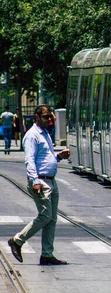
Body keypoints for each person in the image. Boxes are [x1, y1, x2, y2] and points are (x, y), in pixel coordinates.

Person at [7, 105, 71, 266]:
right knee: (45, 216)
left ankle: (47, 254)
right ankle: (17, 240)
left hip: (51, 180)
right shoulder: (32, 136)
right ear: (36, 117)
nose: (49, 120)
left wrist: (58, 157)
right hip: (41, 181)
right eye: (46, 117)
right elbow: (29, 160)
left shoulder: (46, 134)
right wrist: (35, 181)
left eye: (50, 117)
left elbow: (45, 159)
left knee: (52, 219)